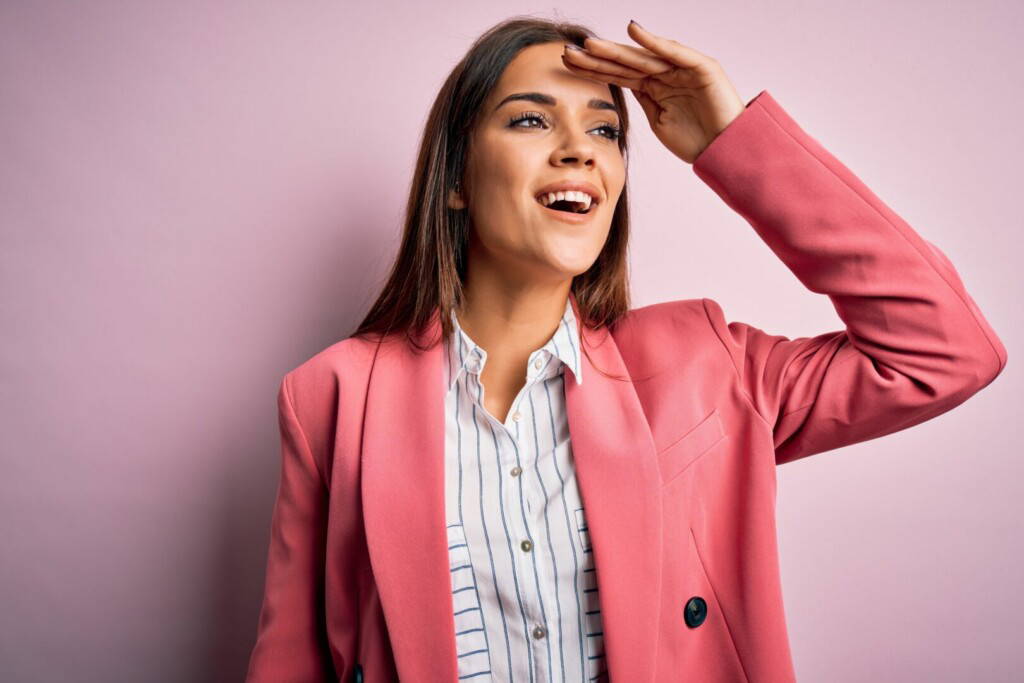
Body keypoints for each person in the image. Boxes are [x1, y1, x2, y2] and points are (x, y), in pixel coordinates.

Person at [245, 16, 1007, 683]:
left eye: (605, 130)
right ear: (457, 180)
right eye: (531, 121)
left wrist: (730, 142)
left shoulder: (707, 367)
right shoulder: (332, 398)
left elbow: (947, 351)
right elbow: (291, 663)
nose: (581, 150)